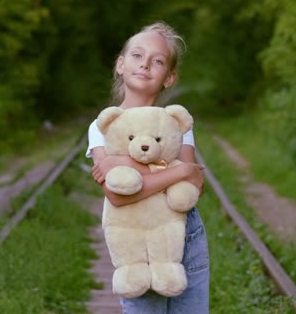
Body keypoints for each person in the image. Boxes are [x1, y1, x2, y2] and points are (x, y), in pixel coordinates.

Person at [86, 21, 210, 314]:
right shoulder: (102, 126)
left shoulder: (175, 124)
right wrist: (178, 170)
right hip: (135, 245)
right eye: (137, 56)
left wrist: (119, 161)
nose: (145, 65)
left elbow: (192, 186)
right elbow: (118, 194)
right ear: (121, 64)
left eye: (158, 61)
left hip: (185, 238)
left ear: (169, 77)